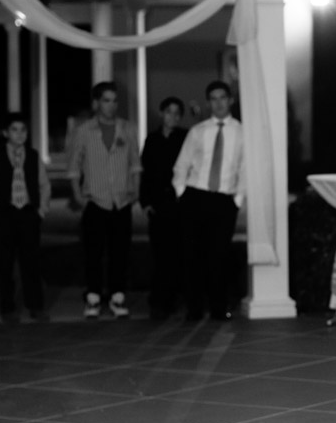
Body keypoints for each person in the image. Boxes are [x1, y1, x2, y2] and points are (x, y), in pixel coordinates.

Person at [67, 81, 142, 319]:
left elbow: (135, 163)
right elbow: (74, 165)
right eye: (106, 100)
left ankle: (118, 296)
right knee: (93, 252)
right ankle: (93, 297)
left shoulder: (127, 129)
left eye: (115, 100)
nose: (111, 105)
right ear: (96, 103)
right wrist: (77, 194)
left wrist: (135, 190)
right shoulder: (84, 131)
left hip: (121, 200)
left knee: (120, 251)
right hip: (95, 200)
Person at [173, 80, 245, 322]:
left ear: (230, 100)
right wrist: (182, 192)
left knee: (219, 256)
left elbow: (245, 168)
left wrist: (237, 199)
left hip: (224, 200)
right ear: (208, 102)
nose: (218, 103)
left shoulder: (242, 132)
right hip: (195, 196)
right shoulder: (198, 131)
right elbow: (182, 164)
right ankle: (193, 308)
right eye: (213, 98)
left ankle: (218, 308)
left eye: (222, 97)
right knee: (192, 255)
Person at [0, 112, 51, 323]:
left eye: (23, 130)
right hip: (5, 215)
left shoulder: (33, 156)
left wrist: (41, 211)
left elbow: (44, 184)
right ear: (5, 133)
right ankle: (7, 307)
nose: (19, 135)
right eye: (14, 130)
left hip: (28, 214)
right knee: (4, 264)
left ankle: (35, 305)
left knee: (32, 263)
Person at [140, 96, 187, 320]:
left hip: (179, 205)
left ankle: (174, 298)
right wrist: (146, 202)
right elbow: (146, 173)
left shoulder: (186, 138)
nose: (173, 117)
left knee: (179, 252)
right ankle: (159, 300)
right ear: (161, 113)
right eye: (169, 112)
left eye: (177, 113)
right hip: (158, 204)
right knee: (159, 254)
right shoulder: (152, 139)